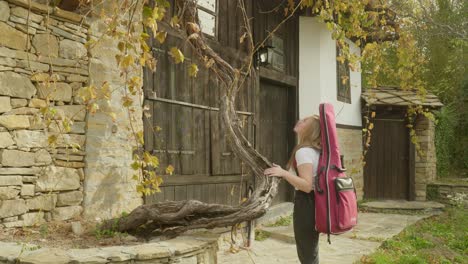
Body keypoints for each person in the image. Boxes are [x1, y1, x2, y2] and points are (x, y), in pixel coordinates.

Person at [264, 115, 321, 264]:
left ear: (310, 129)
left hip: (307, 202)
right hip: (315, 202)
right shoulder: (315, 150)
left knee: (307, 251)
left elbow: (307, 186)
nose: (299, 121)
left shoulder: (304, 152)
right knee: (310, 248)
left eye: (304, 121)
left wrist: (283, 173)